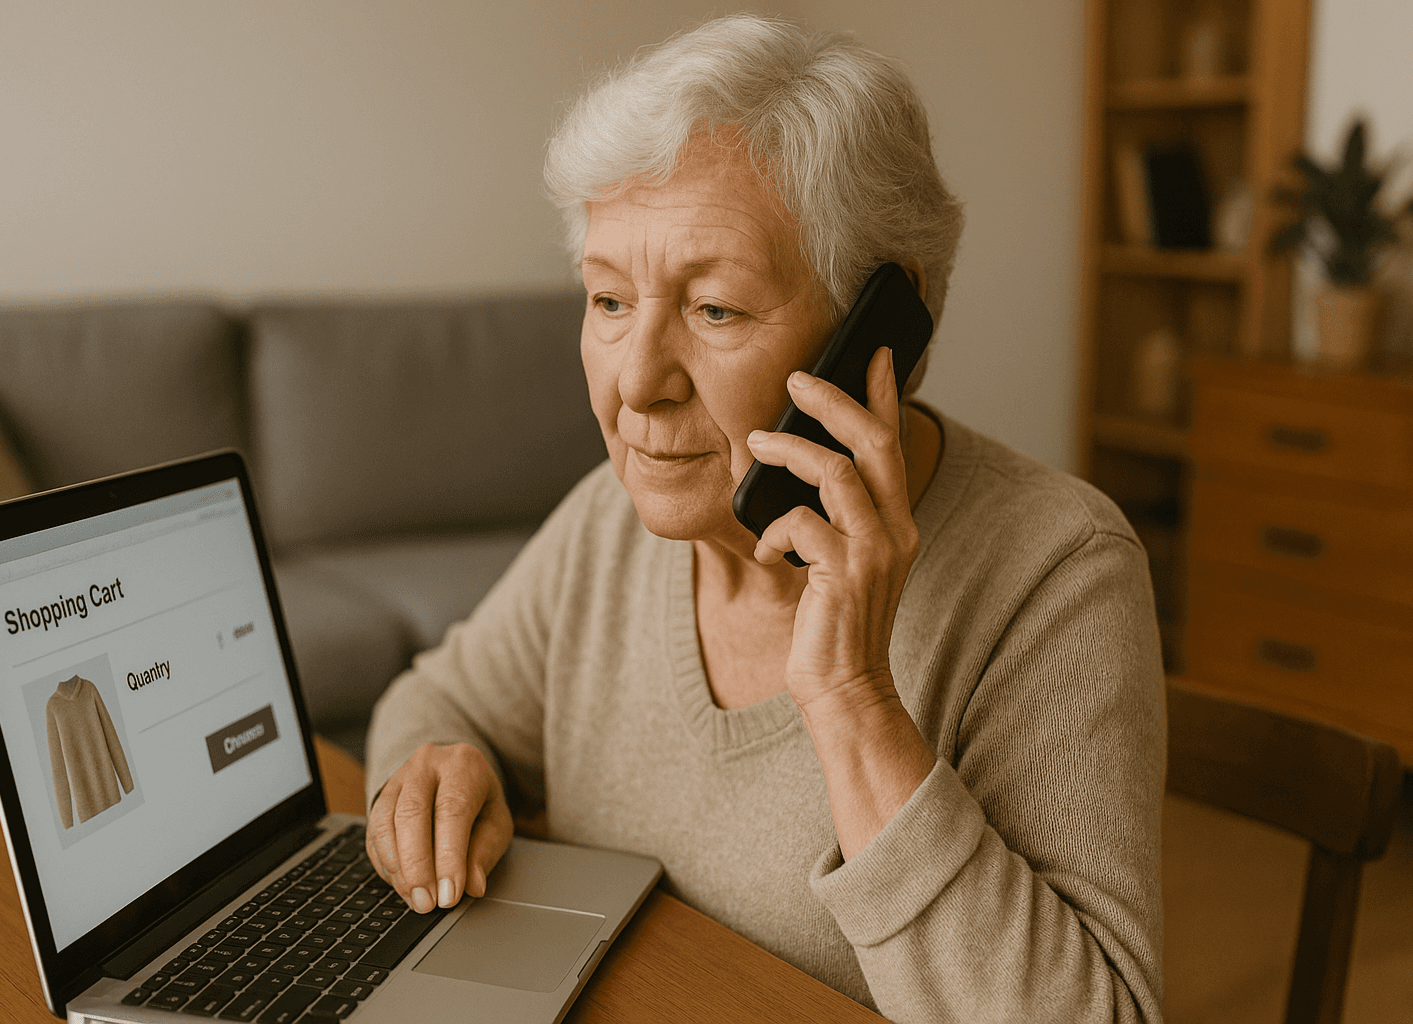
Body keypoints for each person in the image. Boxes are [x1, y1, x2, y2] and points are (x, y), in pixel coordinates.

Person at [364, 14, 1164, 1023]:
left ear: (879, 332)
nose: (638, 386)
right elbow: (436, 703)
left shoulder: (1058, 572)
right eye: (608, 301)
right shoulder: (611, 521)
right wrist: (443, 767)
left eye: (716, 310)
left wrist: (853, 698)